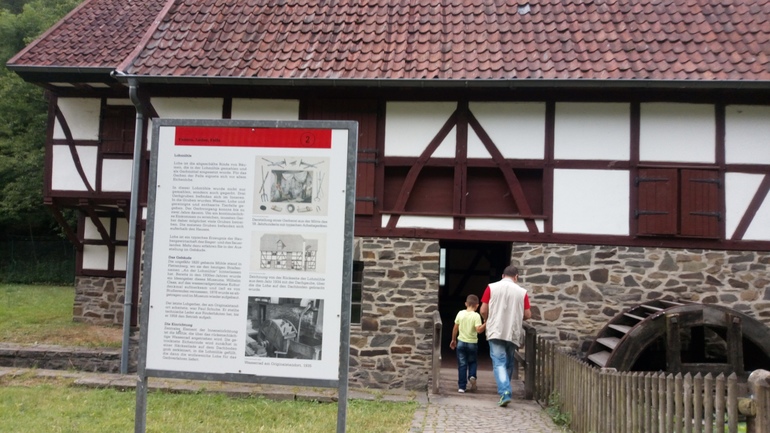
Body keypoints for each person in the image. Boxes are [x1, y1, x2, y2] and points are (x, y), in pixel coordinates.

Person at [480, 265, 531, 407]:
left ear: (503, 276)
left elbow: (483, 310)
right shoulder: (522, 292)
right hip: (512, 331)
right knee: (508, 363)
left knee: (499, 363)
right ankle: (505, 389)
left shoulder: (491, 287)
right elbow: (527, 314)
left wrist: (487, 319)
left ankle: (505, 391)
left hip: (496, 330)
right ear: (516, 277)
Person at [449, 294, 485, 393]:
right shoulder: (476, 316)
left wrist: (453, 340)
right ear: (477, 305)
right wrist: (486, 323)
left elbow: (455, 328)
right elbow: (479, 330)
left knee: (462, 364)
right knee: (472, 362)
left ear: (466, 304)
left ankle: (461, 387)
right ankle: (472, 376)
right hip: (472, 343)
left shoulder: (460, 313)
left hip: (461, 342)